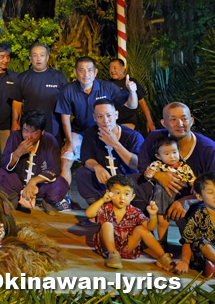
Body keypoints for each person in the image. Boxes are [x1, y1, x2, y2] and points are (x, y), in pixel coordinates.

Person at [134, 102, 215, 223]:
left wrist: (188, 200)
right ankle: (142, 234)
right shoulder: (155, 138)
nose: (180, 124)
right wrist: (158, 175)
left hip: (195, 198)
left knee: (203, 211)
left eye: (184, 119)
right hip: (162, 192)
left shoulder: (210, 150)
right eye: (173, 119)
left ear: (191, 121)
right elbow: (143, 165)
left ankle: (197, 238)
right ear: (164, 123)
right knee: (132, 184)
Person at [55, 57, 137, 187]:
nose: (86, 74)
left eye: (89, 70)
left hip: (104, 131)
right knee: (66, 158)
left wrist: (132, 91)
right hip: (80, 131)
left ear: (96, 72)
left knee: (116, 158)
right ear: (75, 73)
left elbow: (131, 105)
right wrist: (69, 141)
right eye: (81, 70)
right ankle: (62, 197)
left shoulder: (107, 87)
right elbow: (65, 117)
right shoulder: (68, 90)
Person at [85, 174, 173, 271]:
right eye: (117, 193)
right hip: (106, 248)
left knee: (141, 229)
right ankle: (113, 254)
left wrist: (152, 215)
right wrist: (102, 200)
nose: (122, 197)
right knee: (107, 225)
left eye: (126, 194)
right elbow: (89, 214)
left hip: (127, 248)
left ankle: (162, 257)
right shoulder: (105, 208)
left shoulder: (135, 212)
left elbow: (150, 228)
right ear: (108, 193)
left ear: (132, 197)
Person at [0, 110, 69, 215]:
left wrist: (33, 182)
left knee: (61, 183)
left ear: (42, 132)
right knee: (0, 173)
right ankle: (12, 199)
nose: (28, 136)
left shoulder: (49, 140)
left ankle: (48, 202)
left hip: (39, 187)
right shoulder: (15, 137)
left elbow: (55, 168)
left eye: (34, 132)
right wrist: (17, 153)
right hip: (17, 185)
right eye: (25, 130)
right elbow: (3, 162)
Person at [76, 99, 144, 206]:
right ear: (94, 117)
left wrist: (115, 144)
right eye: (100, 116)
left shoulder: (133, 136)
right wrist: (96, 167)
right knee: (83, 173)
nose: (105, 120)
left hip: (128, 182)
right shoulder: (91, 133)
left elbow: (138, 165)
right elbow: (87, 158)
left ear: (116, 115)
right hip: (105, 181)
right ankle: (98, 210)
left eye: (109, 115)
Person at [143, 137, 195, 242]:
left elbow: (192, 180)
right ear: (158, 156)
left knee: (182, 222)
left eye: (174, 152)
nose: (172, 156)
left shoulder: (184, 167)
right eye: (166, 154)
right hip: (162, 197)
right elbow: (149, 172)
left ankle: (187, 245)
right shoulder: (158, 165)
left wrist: (196, 188)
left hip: (179, 197)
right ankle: (163, 244)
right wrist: (150, 173)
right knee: (163, 222)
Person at [11, 43, 68, 137]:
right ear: (30, 58)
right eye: (35, 55)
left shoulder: (59, 77)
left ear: (47, 57)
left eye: (42, 55)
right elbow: (17, 101)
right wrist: (14, 122)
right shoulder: (22, 78)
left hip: (54, 128)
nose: (38, 58)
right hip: (29, 128)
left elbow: (66, 103)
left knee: (52, 151)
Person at [108, 59, 155, 132]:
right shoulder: (107, 84)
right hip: (111, 122)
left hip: (128, 122)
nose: (112, 70)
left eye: (114, 68)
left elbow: (142, 103)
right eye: (110, 68)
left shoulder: (131, 82)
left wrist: (149, 121)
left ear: (123, 69)